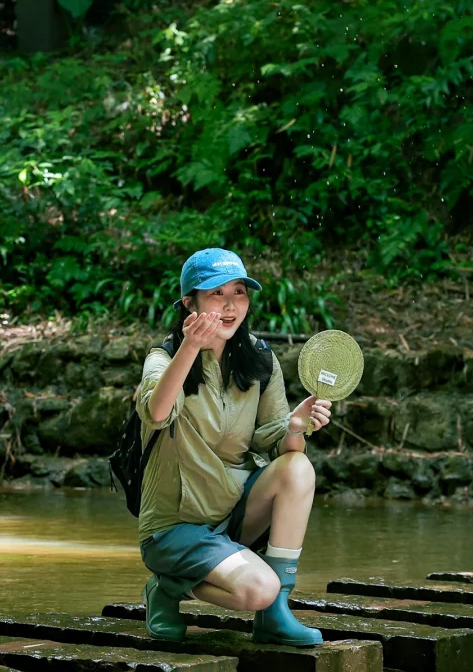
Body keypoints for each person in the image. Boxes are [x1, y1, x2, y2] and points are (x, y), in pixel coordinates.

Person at [134, 247, 332, 645]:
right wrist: (190, 347)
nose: (229, 305)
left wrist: (295, 427)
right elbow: (155, 413)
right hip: (175, 527)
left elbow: (282, 447)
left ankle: (276, 613)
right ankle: (167, 587)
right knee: (257, 590)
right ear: (189, 303)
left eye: (238, 292)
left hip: (233, 514)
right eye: (216, 293)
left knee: (298, 467)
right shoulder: (165, 356)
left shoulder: (258, 358)